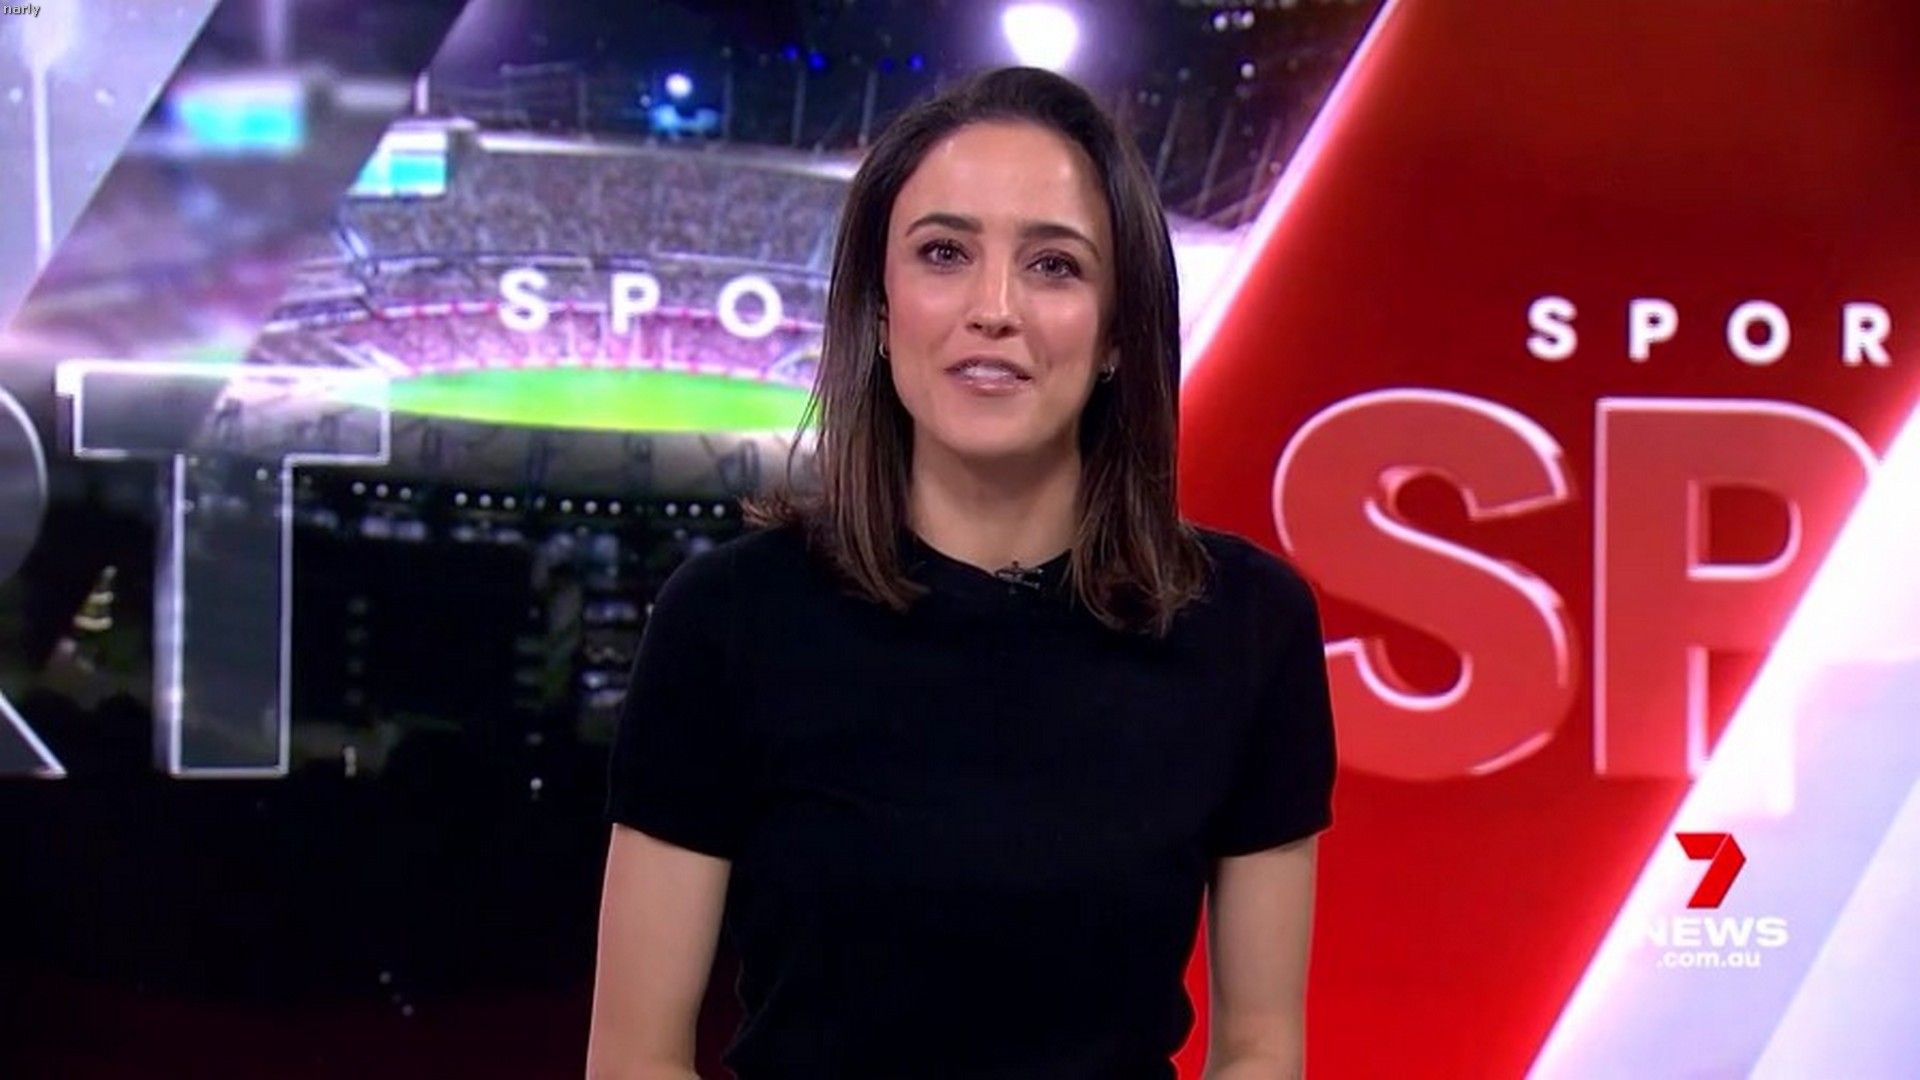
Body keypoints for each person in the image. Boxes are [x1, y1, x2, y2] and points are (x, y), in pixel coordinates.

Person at [588, 66, 1336, 1079]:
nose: (994, 309)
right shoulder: (728, 620)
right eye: (944, 253)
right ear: (879, 308)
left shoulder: (1247, 626)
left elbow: (1258, 1049)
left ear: (1119, 334)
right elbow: (635, 1060)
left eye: (1054, 266)